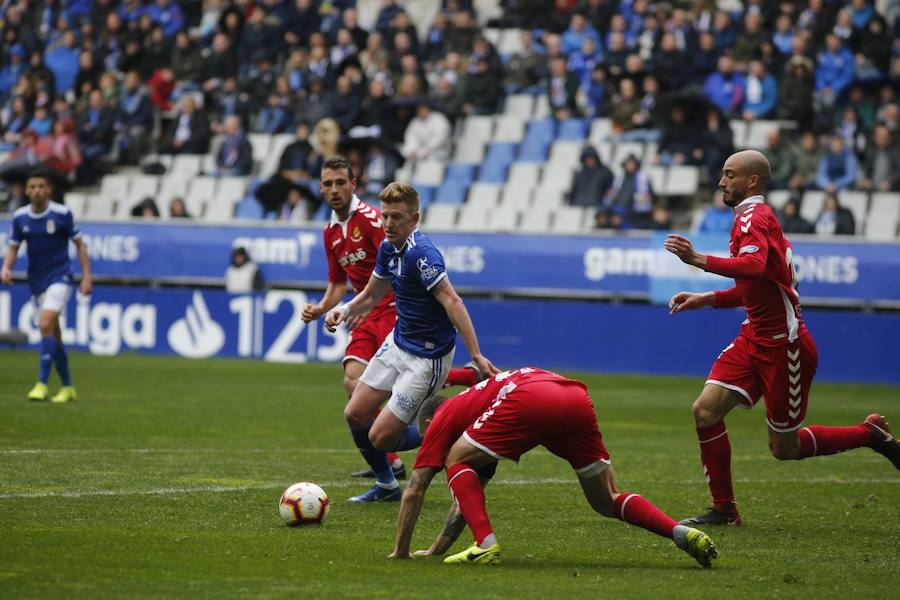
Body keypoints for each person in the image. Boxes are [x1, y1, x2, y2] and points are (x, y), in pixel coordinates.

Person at [663, 150, 899, 526]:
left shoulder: (754, 218)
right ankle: (724, 510)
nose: (722, 181)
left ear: (752, 180)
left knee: (784, 447)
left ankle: (869, 434)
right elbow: (761, 283)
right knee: (705, 411)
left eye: (730, 174)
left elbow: (753, 267)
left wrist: (697, 260)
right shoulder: (754, 218)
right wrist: (708, 299)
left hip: (783, 346)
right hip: (753, 337)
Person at [388, 367, 718, 568]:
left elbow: (416, 486)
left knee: (454, 459)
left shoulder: (444, 416)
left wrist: (401, 552)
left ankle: (486, 545)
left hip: (529, 397)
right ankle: (679, 533)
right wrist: (435, 550)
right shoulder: (478, 428)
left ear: (428, 422)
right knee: (606, 499)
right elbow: (465, 504)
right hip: (573, 395)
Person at [304, 160, 487, 492]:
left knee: (381, 437)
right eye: (385, 216)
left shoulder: (423, 255)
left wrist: (476, 353)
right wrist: (342, 310)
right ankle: (387, 485)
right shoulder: (388, 247)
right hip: (398, 343)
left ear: (414, 219)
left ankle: (455, 429)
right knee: (355, 413)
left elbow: (453, 302)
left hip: (426, 357)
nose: (387, 223)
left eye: (395, 217)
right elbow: (371, 293)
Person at [1, 169, 92, 403]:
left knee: (44, 324)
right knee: (53, 333)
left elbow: (80, 245)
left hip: (60, 277)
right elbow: (13, 247)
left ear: (49, 189)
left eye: (41, 186)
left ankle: (41, 384)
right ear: (26, 190)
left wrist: (87, 276)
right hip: (36, 280)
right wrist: (7, 267)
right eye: (33, 187)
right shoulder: (20, 217)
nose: (37, 191)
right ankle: (68, 387)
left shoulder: (62, 214)